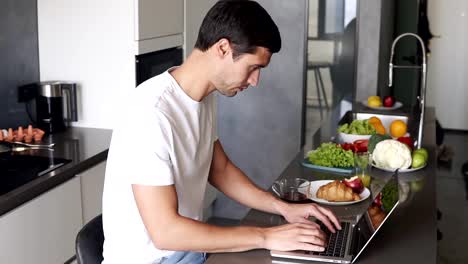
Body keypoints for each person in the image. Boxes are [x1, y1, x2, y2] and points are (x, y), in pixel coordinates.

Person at [101, 1, 341, 263]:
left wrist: (282, 207)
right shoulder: (150, 113)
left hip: (187, 251)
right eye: (253, 68)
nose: (254, 81)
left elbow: (220, 169)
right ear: (223, 48)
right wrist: (265, 236)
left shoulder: (203, 98)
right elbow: (165, 232)